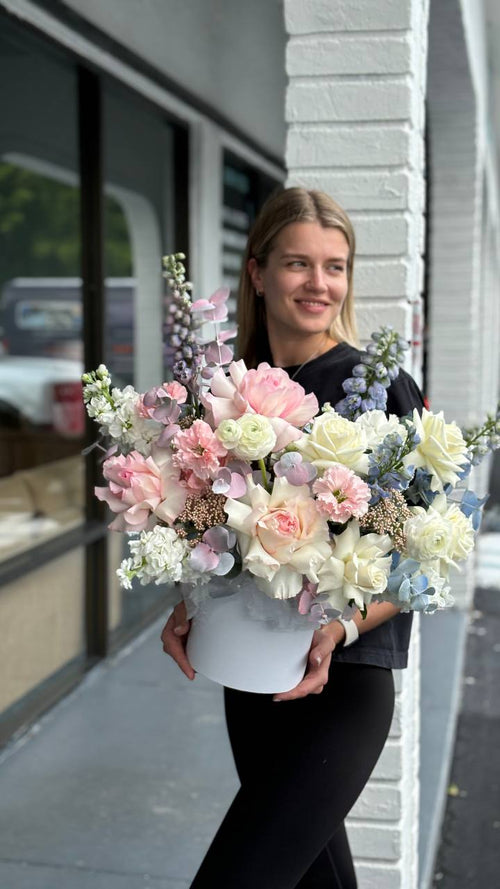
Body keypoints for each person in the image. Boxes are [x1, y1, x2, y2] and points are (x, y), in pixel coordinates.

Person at [161, 188, 424, 888]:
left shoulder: (379, 386)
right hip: (251, 673)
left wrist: (340, 630)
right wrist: (188, 600)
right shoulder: (225, 388)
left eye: (335, 267)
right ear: (258, 272)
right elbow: (202, 526)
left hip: (341, 686)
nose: (319, 283)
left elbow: (418, 554)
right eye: (298, 263)